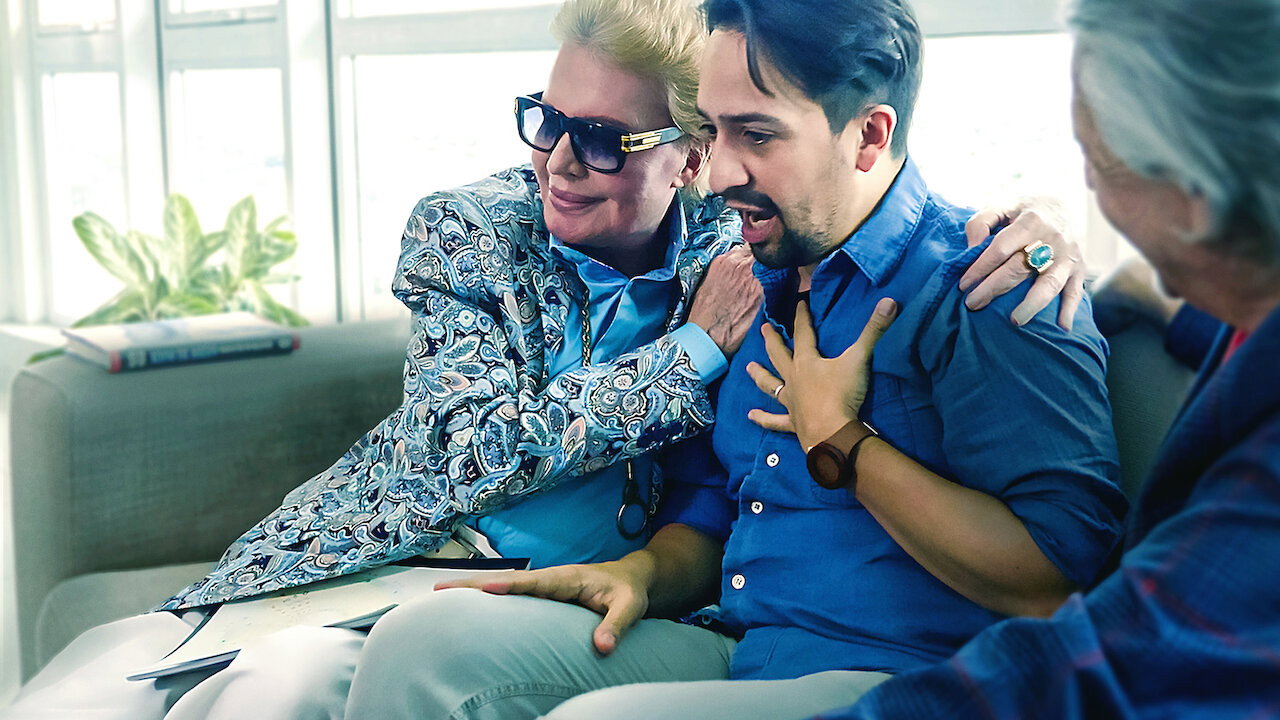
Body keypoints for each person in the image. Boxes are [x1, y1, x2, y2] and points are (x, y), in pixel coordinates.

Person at [0, 0, 1079, 718]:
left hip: (749, 636)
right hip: (414, 554)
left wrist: (1046, 237)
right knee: (110, 688)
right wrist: (691, 361)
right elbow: (479, 454)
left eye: (605, 139)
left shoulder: (765, 243)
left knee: (283, 690)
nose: (559, 160)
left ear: (683, 158)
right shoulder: (498, 232)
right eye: (546, 121)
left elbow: (868, 190)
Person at [341, 1, 1127, 718]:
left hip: (913, 679)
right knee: (426, 644)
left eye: (757, 135)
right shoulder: (750, 277)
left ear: (869, 136)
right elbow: (713, 504)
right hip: (742, 652)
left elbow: (1058, 579)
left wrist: (842, 441)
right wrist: (642, 575)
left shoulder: (990, 284)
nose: (718, 174)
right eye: (714, 132)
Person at [806, 0, 1280, 717]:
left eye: (1100, 164)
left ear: (1196, 199)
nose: (1088, 188)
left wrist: (841, 438)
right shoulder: (1244, 311)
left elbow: (1107, 668)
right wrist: (1141, 286)